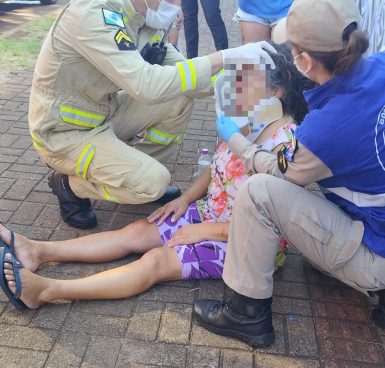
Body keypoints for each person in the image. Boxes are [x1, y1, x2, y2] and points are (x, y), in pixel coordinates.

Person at [0, 44, 310, 310]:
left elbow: (269, 222)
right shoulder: (250, 119)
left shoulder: (286, 145)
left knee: (156, 262)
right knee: (137, 231)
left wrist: (204, 231)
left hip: (245, 242)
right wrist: (186, 200)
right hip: (211, 214)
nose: (234, 86)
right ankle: (38, 251)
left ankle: (47, 291)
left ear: (277, 91)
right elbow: (220, 164)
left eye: (246, 80)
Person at [193, 0, 385, 348]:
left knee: (258, 191)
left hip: (378, 253)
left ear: (307, 62)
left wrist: (237, 141)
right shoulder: (380, 65)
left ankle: (245, 314)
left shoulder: (324, 130)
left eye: (293, 50)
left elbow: (280, 174)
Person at [28, 0, 257, 231]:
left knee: (178, 97)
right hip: (63, 132)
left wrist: (240, 78)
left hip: (104, 113)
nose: (176, 6)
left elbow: (187, 81)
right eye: (171, 0)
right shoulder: (92, 15)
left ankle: (137, 169)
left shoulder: (145, 21)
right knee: (153, 182)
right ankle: (70, 185)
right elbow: (146, 86)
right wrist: (223, 57)